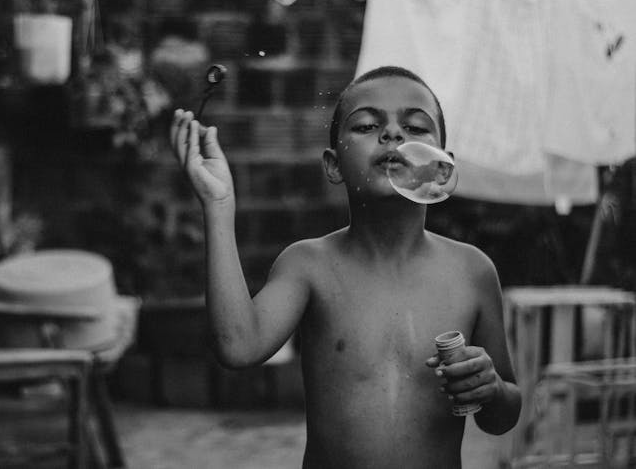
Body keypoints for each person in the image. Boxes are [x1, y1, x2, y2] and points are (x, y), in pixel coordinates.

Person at [169, 65, 521, 468]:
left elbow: (503, 417)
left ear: (442, 168)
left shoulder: (472, 271)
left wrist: (490, 388)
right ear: (334, 165)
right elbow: (237, 346)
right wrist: (218, 206)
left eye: (416, 127)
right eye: (368, 125)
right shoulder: (309, 265)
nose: (392, 135)